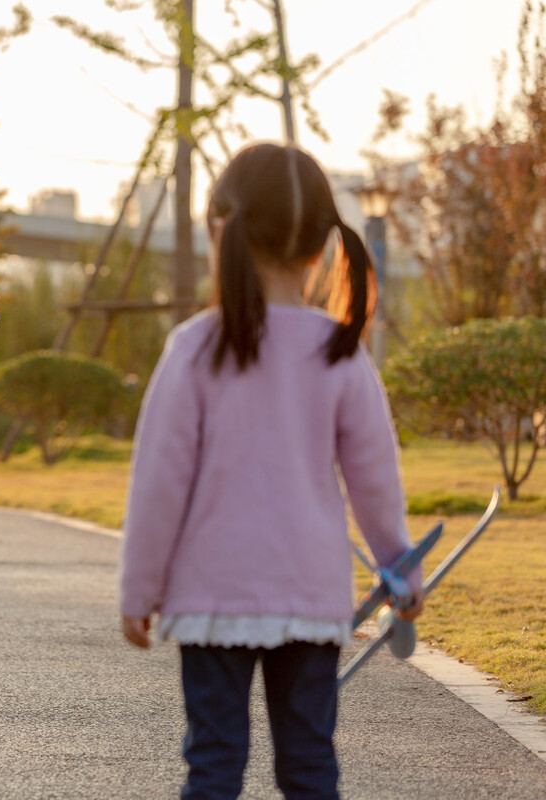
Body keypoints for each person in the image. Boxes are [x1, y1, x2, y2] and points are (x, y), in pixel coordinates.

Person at [118, 142, 424, 800]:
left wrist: (138, 590)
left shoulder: (195, 347)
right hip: (309, 597)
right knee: (310, 766)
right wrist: (400, 565)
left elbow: (158, 486)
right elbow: (376, 480)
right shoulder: (341, 352)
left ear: (218, 231)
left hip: (212, 600)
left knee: (214, 762)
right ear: (322, 243)